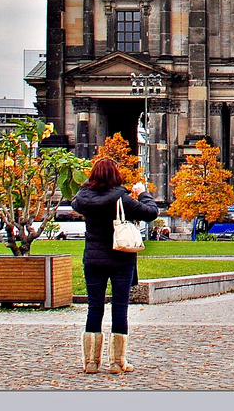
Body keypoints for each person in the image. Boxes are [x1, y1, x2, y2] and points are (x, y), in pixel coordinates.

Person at [71, 156, 159, 375]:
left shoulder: (84, 197)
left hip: (93, 259)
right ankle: (117, 362)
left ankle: (91, 362)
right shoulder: (121, 199)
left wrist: (87, 186)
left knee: (94, 308)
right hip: (121, 259)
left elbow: (75, 202)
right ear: (116, 175)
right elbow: (151, 213)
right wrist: (143, 193)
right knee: (119, 309)